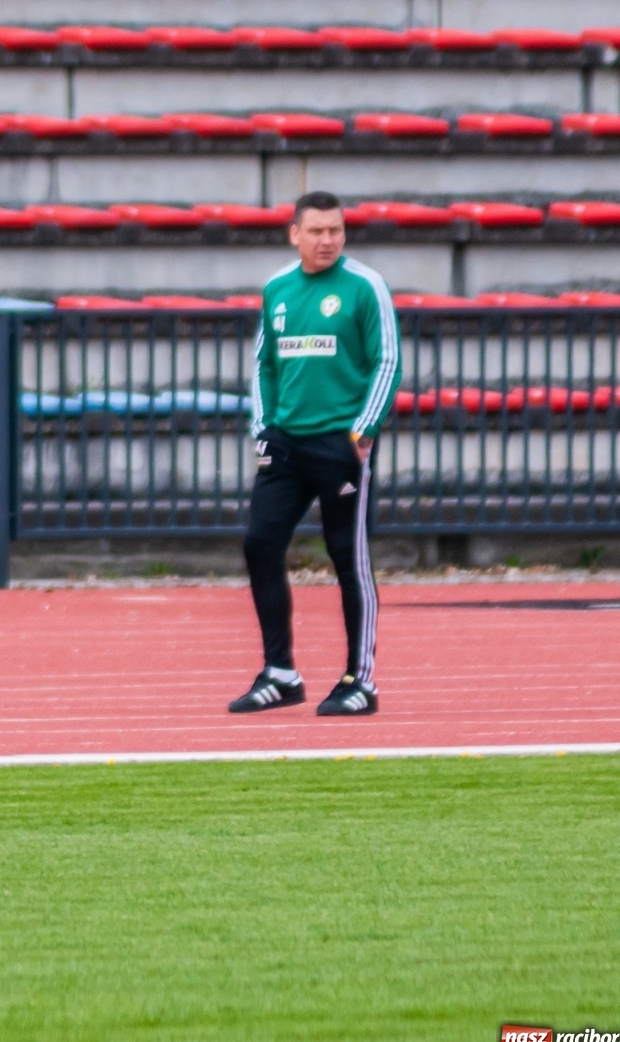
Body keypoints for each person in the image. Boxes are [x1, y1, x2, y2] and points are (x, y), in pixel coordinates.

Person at [229, 191, 401, 717]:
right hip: (285, 442)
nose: (328, 240)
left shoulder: (365, 286)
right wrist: (263, 427)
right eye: (317, 231)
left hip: (339, 444)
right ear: (295, 235)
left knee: (348, 557)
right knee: (260, 545)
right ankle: (280, 673)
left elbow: (387, 360)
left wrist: (364, 430)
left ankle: (360, 680)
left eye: (336, 230)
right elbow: (265, 364)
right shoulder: (278, 288)